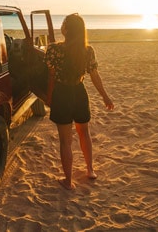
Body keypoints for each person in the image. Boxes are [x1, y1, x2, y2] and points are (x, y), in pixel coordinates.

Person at [44, 13, 115, 190]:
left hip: (62, 93)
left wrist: (49, 96)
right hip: (79, 92)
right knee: (84, 132)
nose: (61, 26)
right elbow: (94, 75)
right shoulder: (87, 50)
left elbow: (51, 76)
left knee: (65, 141)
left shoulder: (53, 49)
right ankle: (90, 170)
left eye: (63, 23)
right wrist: (105, 96)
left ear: (67, 29)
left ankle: (68, 181)